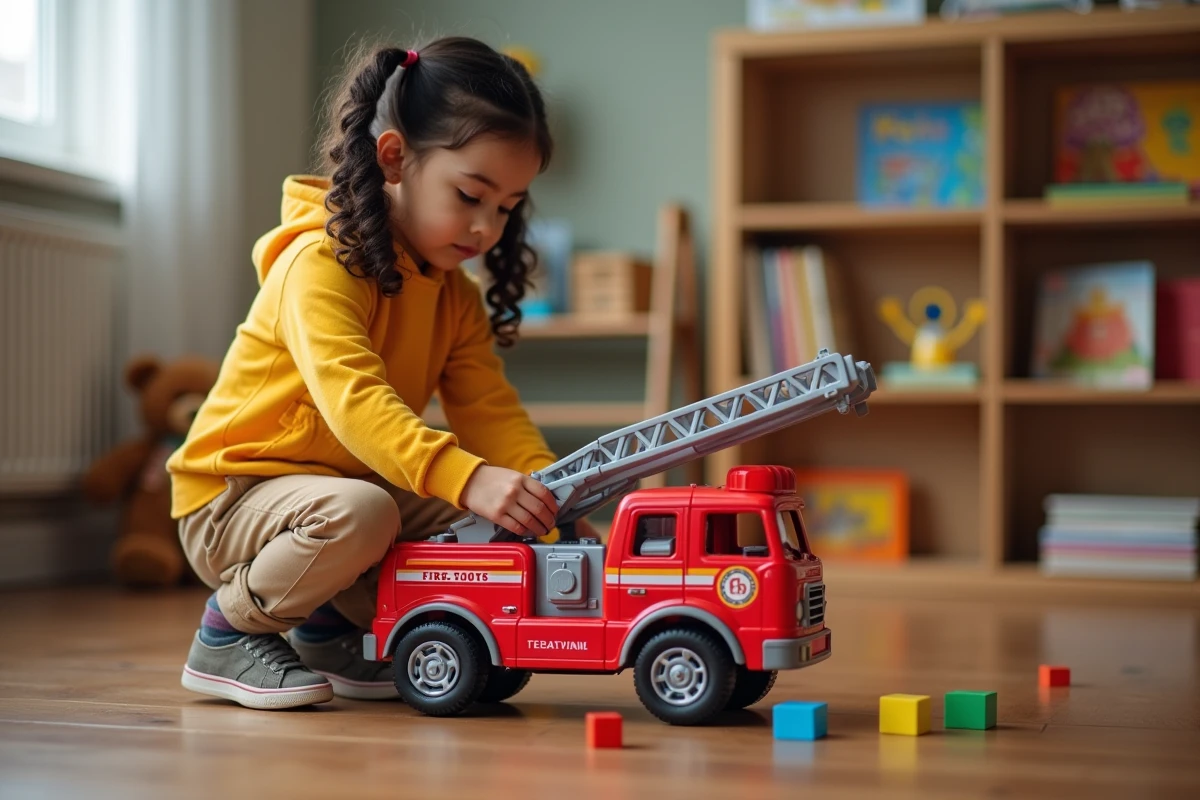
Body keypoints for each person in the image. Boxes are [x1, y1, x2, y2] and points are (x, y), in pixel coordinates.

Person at [168, 36, 595, 710]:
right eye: (470, 195)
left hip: (333, 496)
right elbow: (354, 403)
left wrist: (549, 502)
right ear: (394, 158)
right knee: (370, 509)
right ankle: (227, 631)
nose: (487, 227)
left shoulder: (454, 296)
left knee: (483, 516)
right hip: (231, 499)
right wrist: (469, 475)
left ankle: (326, 627)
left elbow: (489, 410)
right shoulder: (320, 264)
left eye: (508, 207)